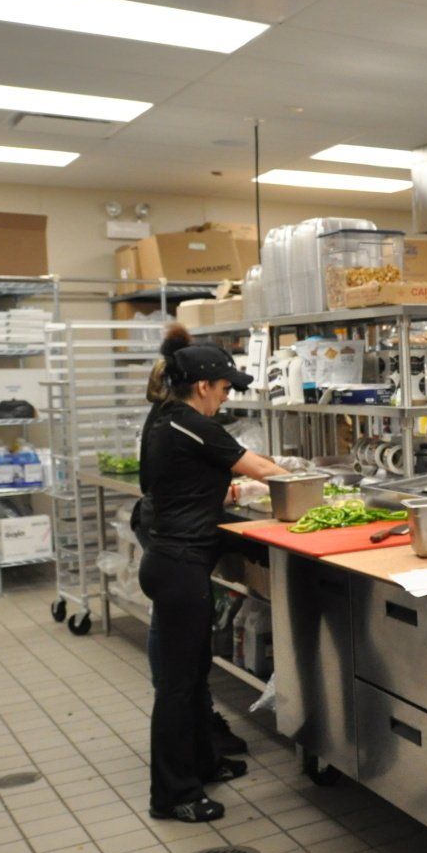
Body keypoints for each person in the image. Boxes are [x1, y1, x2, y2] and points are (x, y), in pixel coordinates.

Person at [137, 326, 287, 823]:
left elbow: (180, 483)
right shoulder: (192, 424)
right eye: (224, 388)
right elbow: (264, 470)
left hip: (173, 559)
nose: (225, 397)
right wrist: (310, 481)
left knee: (194, 674)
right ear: (202, 385)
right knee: (179, 685)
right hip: (179, 564)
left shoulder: (164, 419)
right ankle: (173, 794)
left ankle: (202, 762)